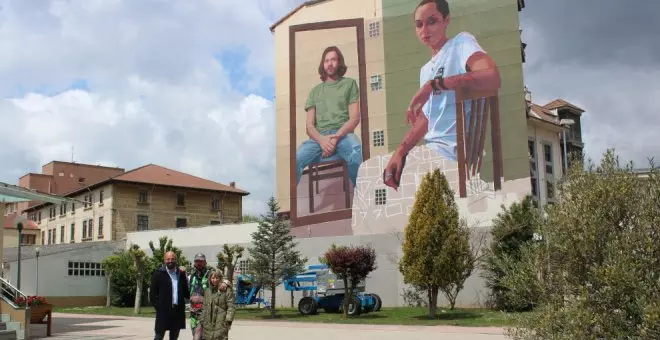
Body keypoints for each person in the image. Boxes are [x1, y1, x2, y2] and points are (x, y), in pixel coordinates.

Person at [382, 0, 501, 189]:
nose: (424, 29)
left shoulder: (461, 43)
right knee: (385, 172)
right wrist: (400, 151)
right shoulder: (425, 70)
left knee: (373, 179)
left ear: (446, 20)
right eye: (419, 24)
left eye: (432, 21)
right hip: (433, 150)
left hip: (454, 152)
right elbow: (428, 119)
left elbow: (492, 77)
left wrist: (434, 85)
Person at [295, 45, 363, 188]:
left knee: (357, 154)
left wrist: (335, 138)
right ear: (323, 64)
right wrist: (323, 141)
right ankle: (289, 204)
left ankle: (362, 199)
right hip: (319, 139)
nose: (330, 63)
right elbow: (309, 126)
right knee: (296, 159)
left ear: (339, 63)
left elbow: (354, 118)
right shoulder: (315, 92)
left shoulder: (349, 84)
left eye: (333, 60)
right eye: (326, 61)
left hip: (343, 134)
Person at [150, 251, 190, 340]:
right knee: (159, 336)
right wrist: (159, 308)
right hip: (163, 312)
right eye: (168, 259)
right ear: (164, 260)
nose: (170, 261)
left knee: (174, 337)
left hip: (177, 311)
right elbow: (152, 295)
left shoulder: (181, 274)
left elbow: (186, 293)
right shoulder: (158, 274)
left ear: (176, 260)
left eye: (172, 259)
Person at [201, 270, 236, 340]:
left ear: (220, 278)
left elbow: (231, 306)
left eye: (217, 278)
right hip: (207, 324)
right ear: (210, 279)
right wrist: (202, 319)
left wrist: (228, 321)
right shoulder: (207, 291)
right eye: (213, 278)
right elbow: (204, 307)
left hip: (221, 323)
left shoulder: (226, 290)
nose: (215, 280)